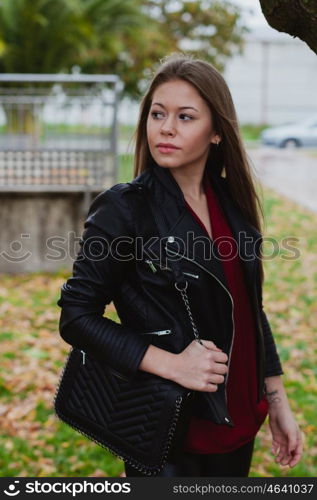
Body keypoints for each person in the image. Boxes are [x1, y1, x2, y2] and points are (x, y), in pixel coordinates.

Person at [57, 54, 303, 477]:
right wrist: (171, 364)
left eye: (185, 117)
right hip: (171, 430)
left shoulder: (231, 202)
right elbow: (76, 318)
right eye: (157, 114)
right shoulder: (124, 209)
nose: (166, 128)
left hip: (239, 421)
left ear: (216, 134)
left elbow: (248, 307)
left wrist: (277, 400)